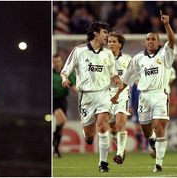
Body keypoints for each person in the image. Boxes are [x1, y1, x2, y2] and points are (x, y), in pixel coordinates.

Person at [111, 10, 177, 172]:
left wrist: (167, 24)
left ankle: (158, 164)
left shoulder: (165, 54)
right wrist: (118, 95)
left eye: (153, 39)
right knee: (147, 131)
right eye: (147, 39)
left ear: (158, 42)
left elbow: (172, 40)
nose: (150, 42)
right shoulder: (138, 59)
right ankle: (152, 141)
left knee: (159, 126)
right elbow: (126, 80)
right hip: (144, 97)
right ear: (144, 42)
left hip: (160, 95)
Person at [61, 21, 121, 172]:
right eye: (105, 33)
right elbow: (65, 71)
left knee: (102, 125)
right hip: (86, 97)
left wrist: (117, 80)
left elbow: (113, 74)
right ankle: (88, 135)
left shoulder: (108, 53)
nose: (107, 36)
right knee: (89, 136)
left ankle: (103, 164)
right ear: (96, 34)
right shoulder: (79, 51)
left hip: (103, 94)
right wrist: (64, 79)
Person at [107, 32, 132, 164]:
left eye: (114, 41)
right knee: (112, 129)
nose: (111, 43)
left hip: (122, 94)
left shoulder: (127, 60)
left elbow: (134, 76)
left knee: (120, 124)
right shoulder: (102, 58)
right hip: (106, 94)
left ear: (120, 45)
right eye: (109, 41)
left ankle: (119, 154)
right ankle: (121, 147)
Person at [53, 53, 77, 158]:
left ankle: (56, 149)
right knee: (62, 120)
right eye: (54, 62)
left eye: (58, 61)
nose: (57, 64)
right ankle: (54, 145)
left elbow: (74, 88)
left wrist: (71, 85)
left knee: (61, 124)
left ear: (61, 62)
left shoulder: (67, 73)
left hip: (63, 100)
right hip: (53, 100)